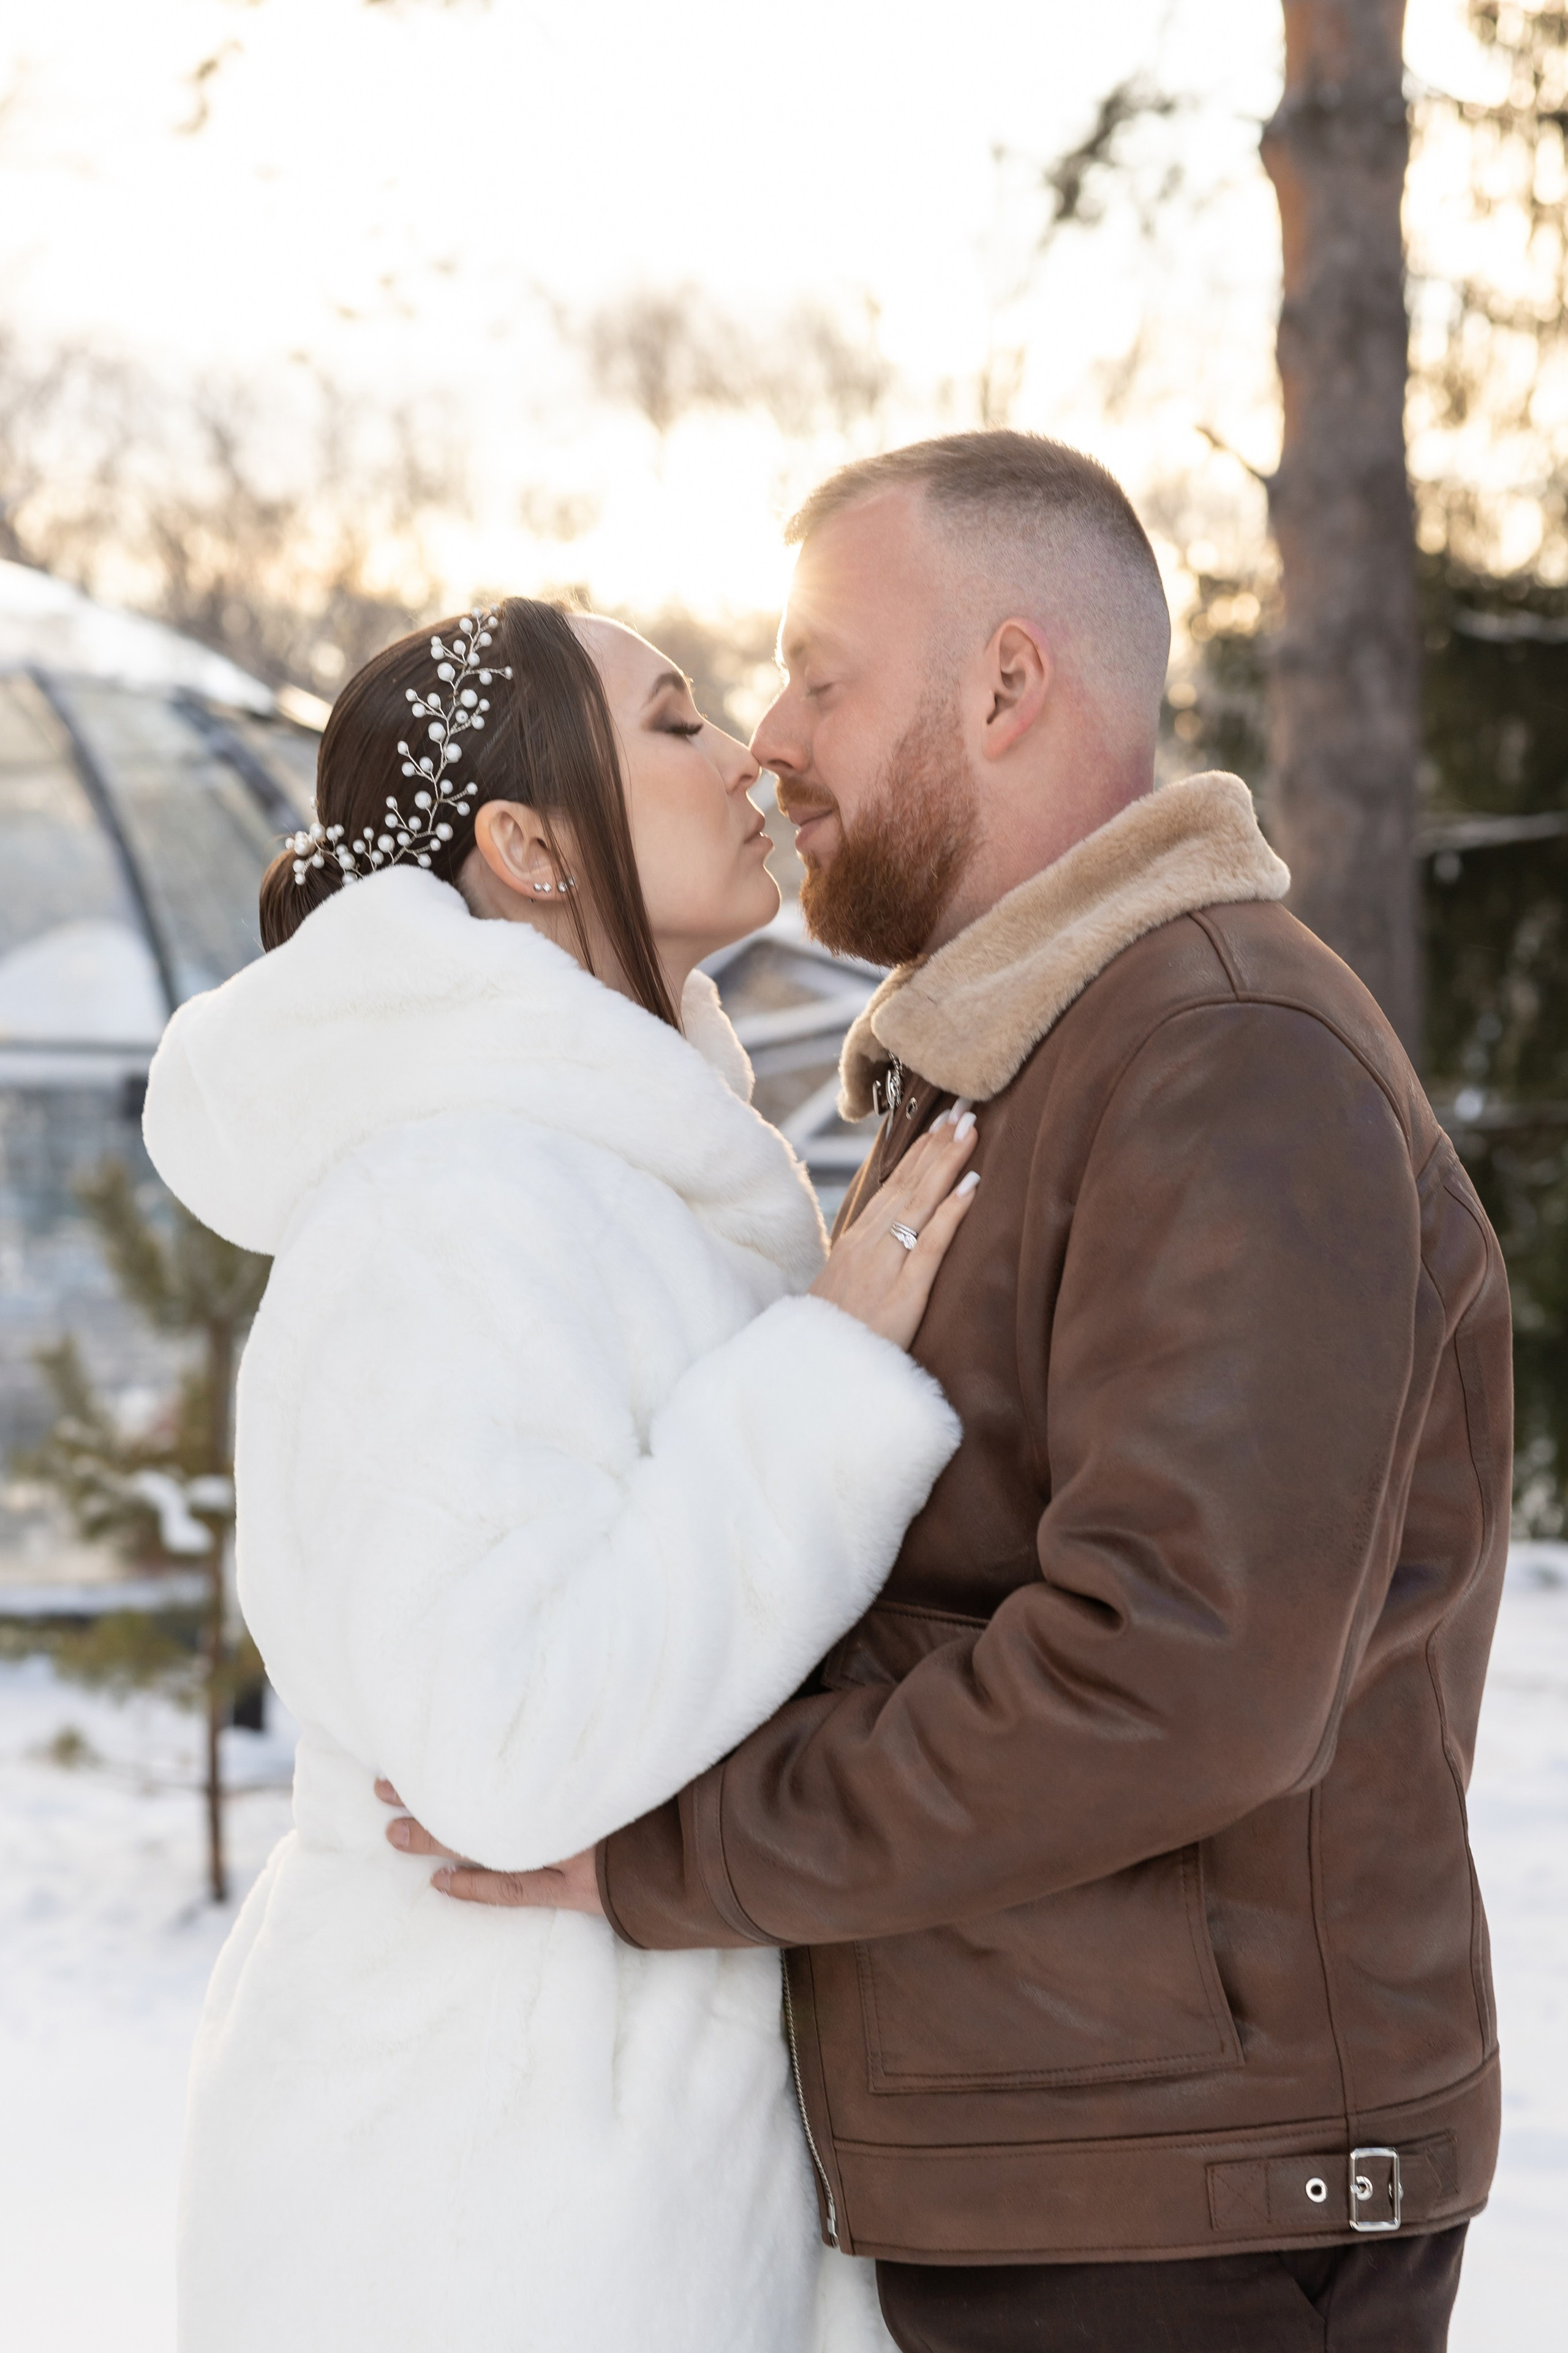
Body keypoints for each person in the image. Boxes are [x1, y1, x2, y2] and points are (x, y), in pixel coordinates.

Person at [398, 435, 1511, 2353]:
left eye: (824, 672)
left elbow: (1172, 1676)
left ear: (1007, 684)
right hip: (1077, 2168)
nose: (770, 735)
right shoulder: (1034, 1061)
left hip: (1197, 2216)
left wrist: (668, 1841)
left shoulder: (1223, 1061)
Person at [141, 595, 984, 2353]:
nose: (746, 751)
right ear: (525, 844)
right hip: (480, 2201)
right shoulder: (442, 1202)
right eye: (675, 720)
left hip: (609, 2161)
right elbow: (506, 1744)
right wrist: (822, 1381)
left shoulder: (610, 1172)